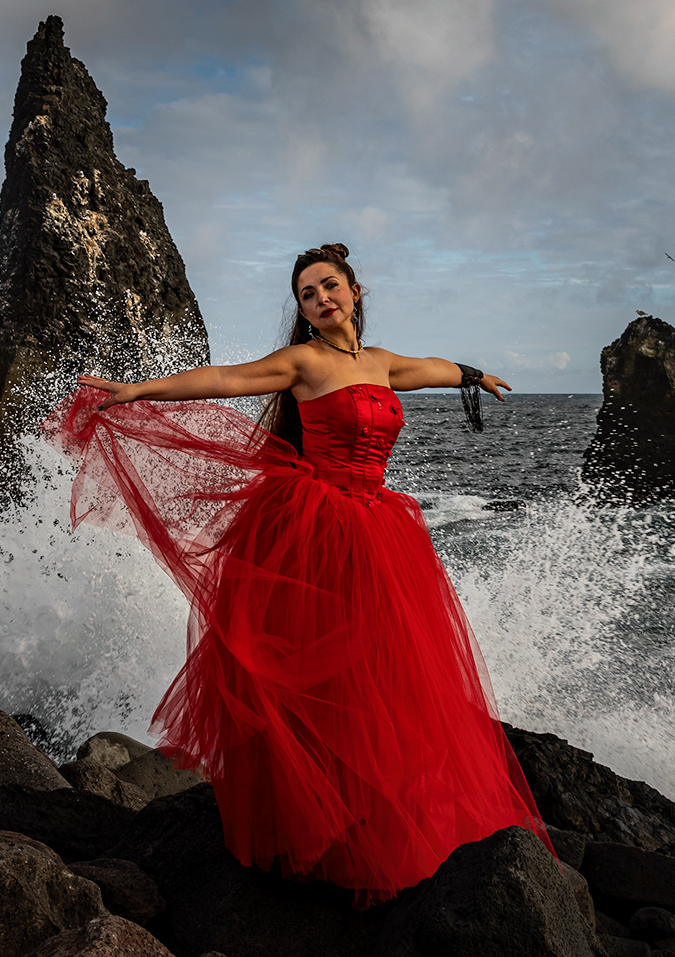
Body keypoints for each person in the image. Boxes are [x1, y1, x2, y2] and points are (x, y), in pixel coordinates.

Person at [47, 242, 550, 905]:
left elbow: (426, 368)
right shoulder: (302, 361)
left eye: (329, 286)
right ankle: (319, 825)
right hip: (320, 528)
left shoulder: (381, 362)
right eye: (308, 294)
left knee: (385, 668)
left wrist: (473, 375)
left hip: (380, 529)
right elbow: (226, 380)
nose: (321, 299)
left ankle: (372, 807)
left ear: (354, 291)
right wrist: (141, 390)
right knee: (324, 671)